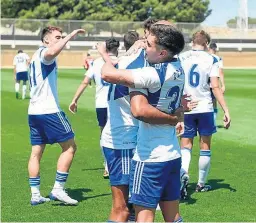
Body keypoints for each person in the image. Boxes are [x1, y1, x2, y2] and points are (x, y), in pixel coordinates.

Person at [98, 23, 185, 223]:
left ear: (162, 50)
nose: (144, 45)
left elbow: (139, 109)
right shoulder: (178, 65)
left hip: (143, 151)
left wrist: (105, 56)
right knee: (167, 215)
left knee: (129, 211)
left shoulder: (146, 69)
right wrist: (177, 114)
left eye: (148, 43)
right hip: (163, 149)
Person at [28, 26, 85, 205]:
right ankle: (58, 189)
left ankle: (35, 194)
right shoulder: (45, 53)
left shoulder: (35, 55)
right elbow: (51, 53)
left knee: (36, 153)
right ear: (46, 40)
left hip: (34, 112)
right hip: (49, 111)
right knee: (70, 147)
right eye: (57, 37)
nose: (60, 40)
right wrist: (71, 35)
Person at [179, 30, 231, 199]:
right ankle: (201, 184)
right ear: (207, 44)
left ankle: (183, 176)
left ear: (192, 42)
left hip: (186, 107)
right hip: (205, 107)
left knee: (185, 144)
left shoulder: (181, 57)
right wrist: (225, 109)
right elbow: (215, 86)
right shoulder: (212, 59)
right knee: (205, 146)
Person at [69, 38, 120, 179]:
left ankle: (107, 165)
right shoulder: (121, 61)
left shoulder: (97, 62)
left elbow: (85, 81)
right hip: (118, 103)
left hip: (101, 104)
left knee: (104, 134)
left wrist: (75, 99)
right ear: (117, 48)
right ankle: (122, 163)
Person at [208, 42, 225, 125]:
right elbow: (220, 72)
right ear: (215, 49)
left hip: (204, 85)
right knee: (214, 104)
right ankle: (213, 123)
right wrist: (223, 85)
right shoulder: (218, 58)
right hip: (213, 85)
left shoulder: (205, 57)